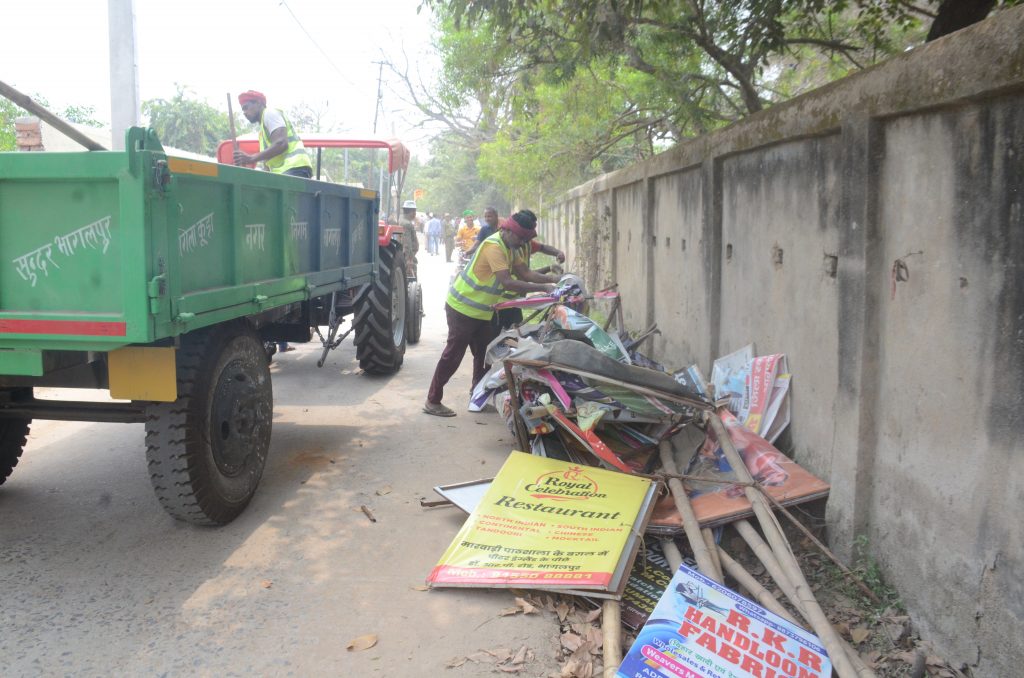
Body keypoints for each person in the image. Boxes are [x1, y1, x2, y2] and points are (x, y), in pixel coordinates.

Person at [424, 210, 559, 417]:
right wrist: (545, 288)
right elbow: (507, 281)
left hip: (482, 311)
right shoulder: (493, 246)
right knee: (453, 355)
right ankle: (433, 400)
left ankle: (477, 395)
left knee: (485, 355)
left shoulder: (510, 247)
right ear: (508, 231)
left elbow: (526, 274)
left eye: (526, 239)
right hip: (462, 308)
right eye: (521, 238)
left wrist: (553, 281)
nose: (523, 243)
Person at [233, 90, 314, 178]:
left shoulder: (269, 113)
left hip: (295, 167)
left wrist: (251, 158)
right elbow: (268, 163)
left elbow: (281, 143)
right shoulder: (262, 132)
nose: (244, 112)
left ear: (258, 103)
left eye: (246, 107)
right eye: (243, 110)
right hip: (285, 172)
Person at [399, 200, 420, 276]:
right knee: (410, 278)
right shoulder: (406, 224)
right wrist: (409, 259)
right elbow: (407, 243)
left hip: (404, 256)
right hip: (407, 258)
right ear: (412, 212)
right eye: (414, 211)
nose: (415, 214)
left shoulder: (402, 220)